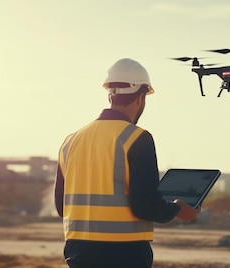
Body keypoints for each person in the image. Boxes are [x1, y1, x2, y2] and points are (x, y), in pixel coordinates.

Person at [53, 58, 201, 268]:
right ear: (141, 98)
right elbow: (145, 206)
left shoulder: (71, 141)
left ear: (109, 95)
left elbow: (62, 207)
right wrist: (177, 210)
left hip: (78, 252)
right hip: (124, 253)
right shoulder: (137, 138)